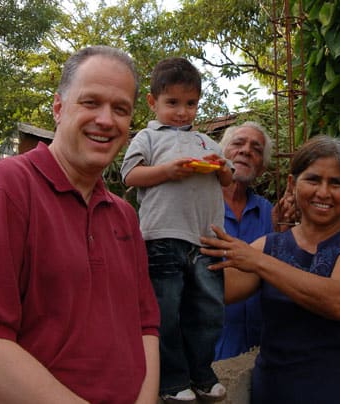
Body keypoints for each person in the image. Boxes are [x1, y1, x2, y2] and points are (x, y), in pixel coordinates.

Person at [0, 45, 160, 404]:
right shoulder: (4, 188)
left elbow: (145, 326)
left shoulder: (123, 215)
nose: (106, 120)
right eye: (90, 103)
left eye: (120, 109)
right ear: (59, 109)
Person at [200, 135, 340, 404]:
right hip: (275, 393)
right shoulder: (269, 245)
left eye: (336, 183)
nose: (323, 192)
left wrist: (259, 261)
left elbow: (339, 301)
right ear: (293, 184)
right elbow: (215, 290)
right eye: (313, 179)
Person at [121, 57, 233, 403]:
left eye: (190, 103)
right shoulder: (148, 136)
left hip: (206, 240)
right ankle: (171, 381)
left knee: (208, 311)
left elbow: (228, 176)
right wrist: (168, 171)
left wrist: (220, 168)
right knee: (165, 313)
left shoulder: (206, 143)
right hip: (161, 238)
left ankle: (201, 373)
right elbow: (130, 176)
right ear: (153, 102)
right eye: (173, 103)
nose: (182, 112)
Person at [215, 121, 294, 360]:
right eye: (238, 144)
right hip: (207, 351)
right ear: (221, 155)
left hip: (260, 352)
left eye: (256, 149)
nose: (246, 151)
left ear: (262, 168)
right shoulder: (198, 206)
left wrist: (283, 232)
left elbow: (279, 273)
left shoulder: (267, 212)